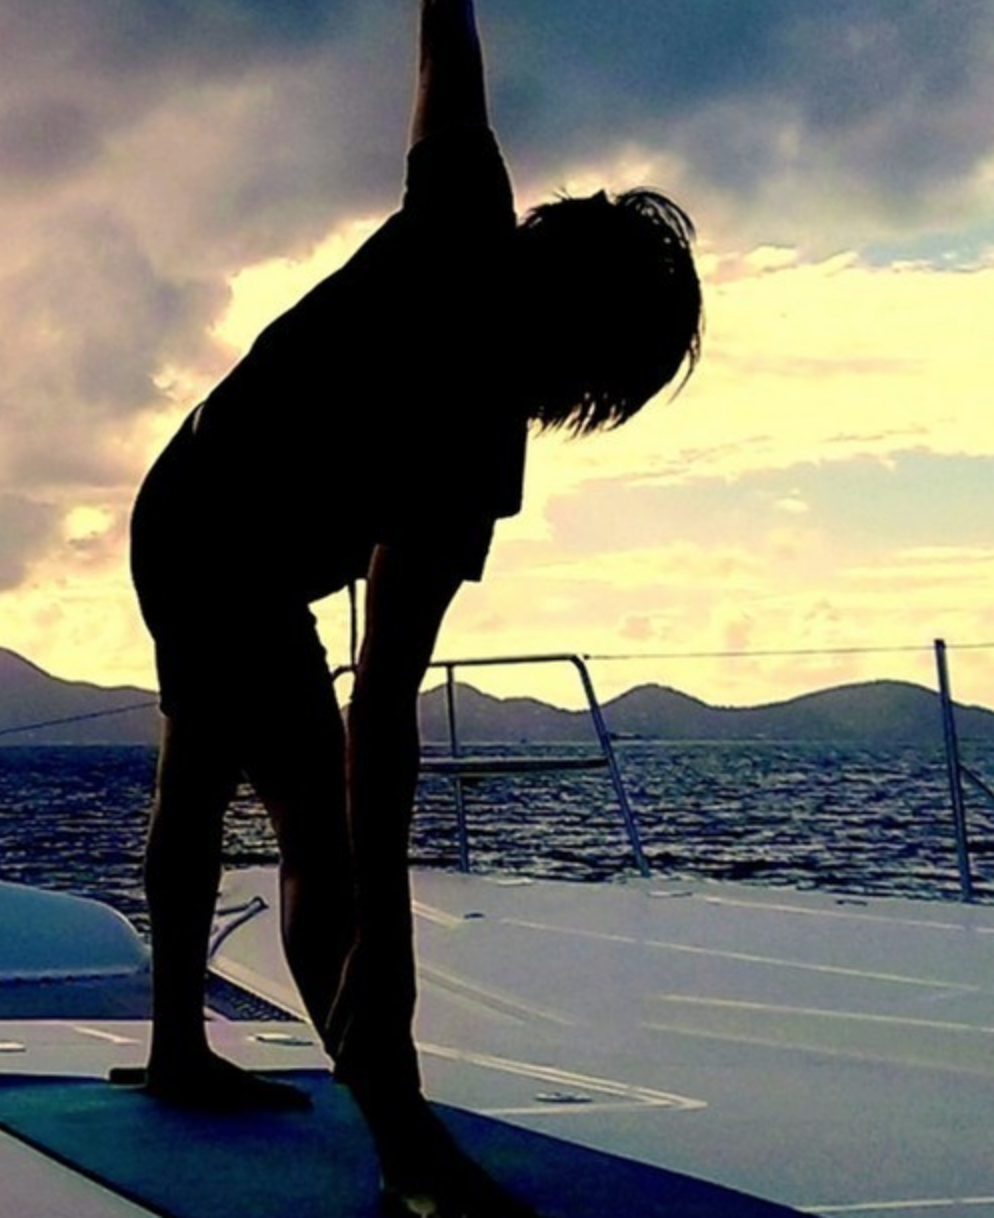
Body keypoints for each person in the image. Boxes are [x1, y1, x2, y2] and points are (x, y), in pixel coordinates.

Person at [122, 1, 701, 1214]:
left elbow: (386, 695)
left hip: (247, 544)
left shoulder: (478, 415)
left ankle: (205, 1049)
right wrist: (377, 943)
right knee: (296, 820)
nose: (578, 398)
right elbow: (449, 50)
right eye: (599, 376)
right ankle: (397, 1135)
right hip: (201, 521)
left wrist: (393, 940)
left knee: (227, 775)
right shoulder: (460, 238)